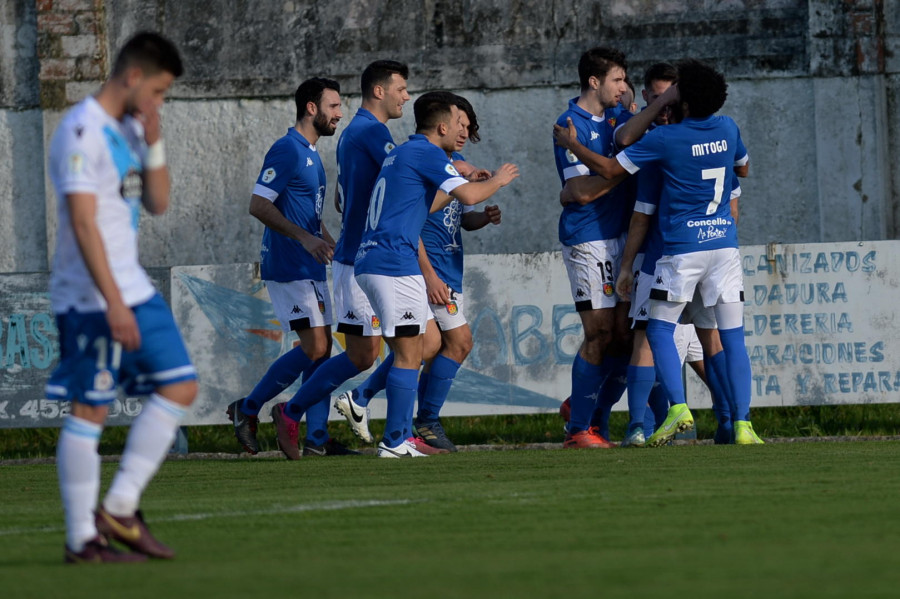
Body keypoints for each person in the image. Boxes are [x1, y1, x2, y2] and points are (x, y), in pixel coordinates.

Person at [46, 31, 197, 563]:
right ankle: (80, 539)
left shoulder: (129, 130)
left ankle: (119, 507)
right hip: (91, 296)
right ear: (133, 77)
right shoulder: (80, 132)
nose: (158, 103)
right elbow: (84, 225)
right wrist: (111, 301)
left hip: (133, 287)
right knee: (91, 409)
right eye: (158, 93)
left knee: (180, 386)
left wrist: (153, 139)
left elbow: (157, 202)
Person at [596, 59, 762, 446]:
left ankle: (677, 409)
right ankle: (743, 424)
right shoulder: (728, 126)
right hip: (724, 247)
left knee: (657, 329)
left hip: (683, 250)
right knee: (732, 337)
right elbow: (745, 169)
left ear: (681, 98)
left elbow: (614, 158)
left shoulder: (665, 140)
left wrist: (571, 144)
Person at [354, 91, 518, 457]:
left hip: (380, 260)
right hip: (394, 262)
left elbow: (427, 204)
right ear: (442, 126)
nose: (462, 130)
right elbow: (471, 197)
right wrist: (501, 179)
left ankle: (393, 430)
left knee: (421, 347)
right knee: (410, 355)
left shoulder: (402, 152)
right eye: (458, 124)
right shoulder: (426, 152)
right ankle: (395, 440)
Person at [551, 46, 674, 449]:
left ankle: (590, 415)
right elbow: (582, 193)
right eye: (618, 80)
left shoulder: (621, 118)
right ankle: (578, 430)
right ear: (594, 82)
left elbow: (631, 147)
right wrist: (623, 170)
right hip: (588, 237)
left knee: (627, 335)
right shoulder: (570, 124)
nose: (624, 88)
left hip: (623, 238)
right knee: (599, 333)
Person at [226, 77, 350, 460]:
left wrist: (329, 241)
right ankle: (249, 408)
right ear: (311, 108)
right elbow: (259, 205)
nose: (339, 113)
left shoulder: (312, 155)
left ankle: (316, 435)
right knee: (317, 347)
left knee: (322, 351)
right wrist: (305, 239)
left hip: (308, 263)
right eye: (333, 106)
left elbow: (310, 217)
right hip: (287, 264)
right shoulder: (288, 150)